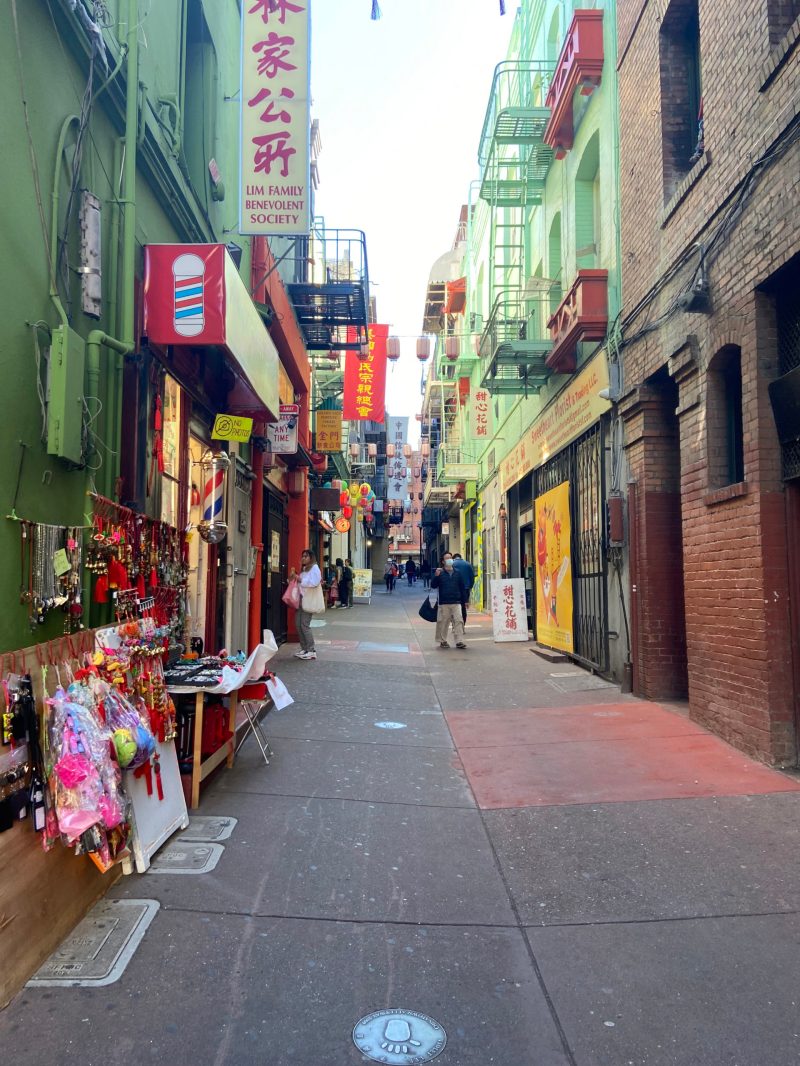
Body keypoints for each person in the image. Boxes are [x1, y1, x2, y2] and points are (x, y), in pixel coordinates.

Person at [289, 549, 321, 660]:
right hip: (301, 599)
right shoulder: (304, 569)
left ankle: (311, 650)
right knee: (298, 624)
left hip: (309, 599)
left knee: (304, 624)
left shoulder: (315, 568)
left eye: (306, 556)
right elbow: (299, 583)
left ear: (311, 558)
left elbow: (314, 582)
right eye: (302, 556)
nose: (303, 558)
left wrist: (299, 578)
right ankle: (305, 648)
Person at [431, 552, 467, 649]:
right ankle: (443, 641)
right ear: (443, 561)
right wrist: (436, 576)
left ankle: (459, 641)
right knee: (443, 622)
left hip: (456, 602)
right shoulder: (440, 573)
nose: (450, 560)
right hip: (444, 602)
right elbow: (433, 585)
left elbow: (462, 587)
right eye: (447, 558)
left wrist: (465, 601)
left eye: (450, 558)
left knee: (459, 621)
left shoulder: (458, 572)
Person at [452, 552, 475, 624]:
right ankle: (463, 623)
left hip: (454, 589)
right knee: (463, 606)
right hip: (466, 588)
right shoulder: (468, 564)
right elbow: (472, 577)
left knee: (454, 607)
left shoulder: (452, 564)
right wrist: (470, 586)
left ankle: (455, 624)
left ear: (454, 558)